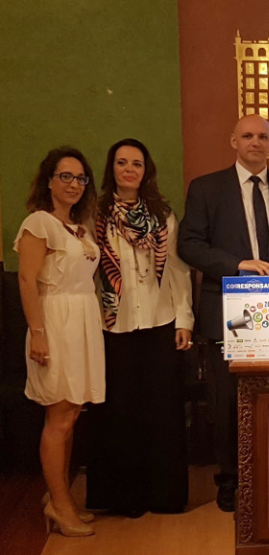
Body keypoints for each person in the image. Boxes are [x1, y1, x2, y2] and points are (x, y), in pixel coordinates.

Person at [178, 114, 269, 512]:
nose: (255, 142)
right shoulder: (206, 188)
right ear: (233, 141)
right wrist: (237, 264)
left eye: (262, 137)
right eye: (247, 136)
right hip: (228, 309)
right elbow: (189, 244)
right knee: (229, 400)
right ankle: (231, 480)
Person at [86, 139, 194, 516]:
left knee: (162, 412)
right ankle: (123, 499)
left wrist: (184, 319)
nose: (129, 169)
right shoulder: (94, 215)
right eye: (122, 163)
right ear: (111, 168)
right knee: (118, 411)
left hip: (159, 321)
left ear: (146, 170)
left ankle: (164, 496)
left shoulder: (162, 216)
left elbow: (178, 271)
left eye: (136, 163)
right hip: (111, 325)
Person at [15, 147, 104, 536]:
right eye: (65, 176)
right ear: (49, 181)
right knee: (59, 416)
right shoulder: (39, 223)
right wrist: (38, 332)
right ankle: (59, 504)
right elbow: (26, 280)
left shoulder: (79, 227)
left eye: (80, 178)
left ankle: (61, 496)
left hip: (83, 319)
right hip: (54, 321)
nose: (73, 184)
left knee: (72, 414)